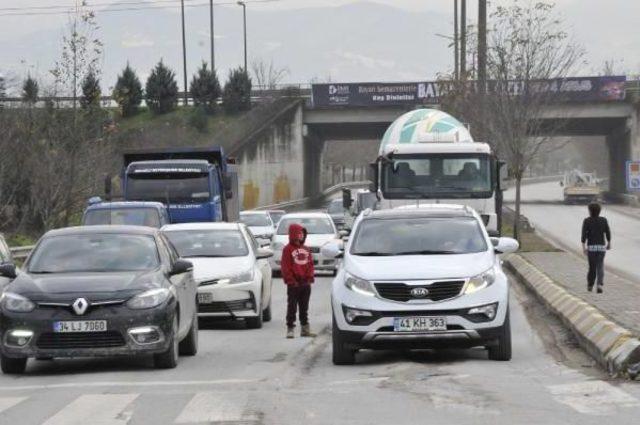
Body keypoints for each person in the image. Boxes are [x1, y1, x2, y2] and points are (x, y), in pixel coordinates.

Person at [281, 223, 316, 338]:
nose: (301, 235)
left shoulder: (306, 249)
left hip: (305, 284)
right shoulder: (287, 250)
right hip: (293, 284)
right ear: (293, 234)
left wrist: (309, 277)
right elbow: (286, 267)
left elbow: (310, 264)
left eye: (303, 233)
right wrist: (291, 281)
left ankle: (305, 329)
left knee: (304, 307)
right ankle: (290, 328)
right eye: (299, 233)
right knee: (292, 306)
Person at [581, 202, 611, 293]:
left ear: (590, 211)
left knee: (592, 267)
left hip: (591, 248)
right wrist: (609, 243)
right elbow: (608, 232)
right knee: (600, 266)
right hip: (601, 247)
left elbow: (584, 235)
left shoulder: (587, 221)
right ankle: (599, 285)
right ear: (599, 211)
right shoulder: (604, 220)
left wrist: (584, 248)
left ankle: (590, 285)